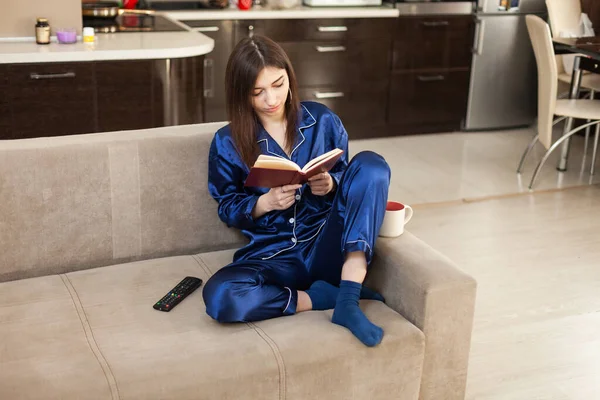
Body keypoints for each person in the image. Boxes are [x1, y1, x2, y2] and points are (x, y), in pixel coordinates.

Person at [203, 35, 391, 347]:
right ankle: (318, 297)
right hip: (274, 255)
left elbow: (353, 179)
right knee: (221, 295)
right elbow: (227, 206)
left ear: (289, 75)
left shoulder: (323, 120)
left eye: (278, 84)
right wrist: (263, 202)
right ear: (242, 94)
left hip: (326, 242)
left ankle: (347, 300)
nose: (271, 99)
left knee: (372, 164)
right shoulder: (227, 142)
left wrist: (331, 184)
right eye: (257, 92)